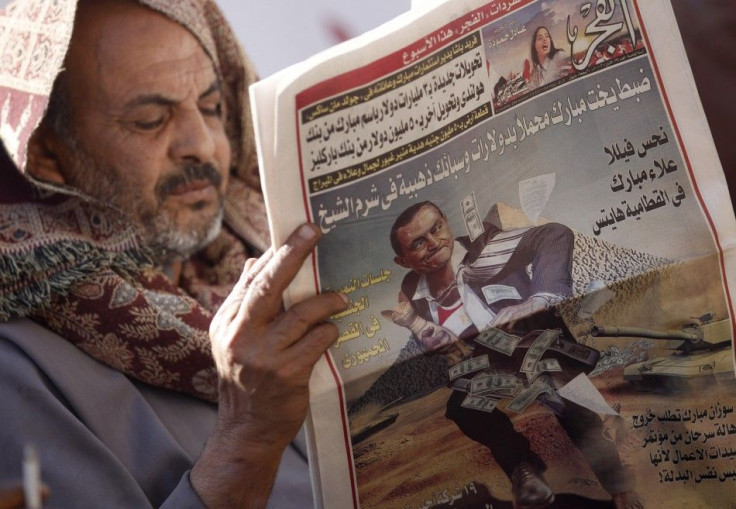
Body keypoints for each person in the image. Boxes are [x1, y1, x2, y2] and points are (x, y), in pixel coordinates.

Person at [0, 0, 348, 507]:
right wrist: (249, 437)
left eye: (211, 108)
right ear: (45, 151)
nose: (202, 144)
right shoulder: (17, 370)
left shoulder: (259, 261)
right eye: (150, 120)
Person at [388, 201, 642, 509]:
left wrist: (539, 298)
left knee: (568, 399)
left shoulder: (484, 249)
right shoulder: (412, 287)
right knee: (463, 407)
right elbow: (436, 341)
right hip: (489, 361)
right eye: (418, 243)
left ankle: (619, 487)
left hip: (536, 343)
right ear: (403, 261)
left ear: (446, 222)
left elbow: (555, 234)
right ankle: (523, 468)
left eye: (436, 228)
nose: (433, 243)